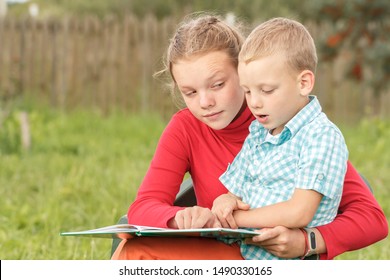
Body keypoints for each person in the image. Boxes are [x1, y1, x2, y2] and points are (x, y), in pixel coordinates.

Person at [111, 13, 388, 260]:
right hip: (227, 251)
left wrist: (308, 241)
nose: (205, 102)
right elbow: (142, 206)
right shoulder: (186, 127)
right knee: (133, 250)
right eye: (190, 92)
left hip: (283, 260)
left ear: (243, 71)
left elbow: (372, 219)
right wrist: (178, 217)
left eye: (218, 84)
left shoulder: (291, 125)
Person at [213, 17, 348, 260]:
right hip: (240, 255)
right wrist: (226, 201)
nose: (254, 102)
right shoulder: (257, 134)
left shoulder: (321, 136)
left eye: (266, 90)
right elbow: (238, 193)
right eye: (248, 91)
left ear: (304, 83)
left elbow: (299, 212)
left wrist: (234, 221)